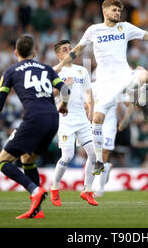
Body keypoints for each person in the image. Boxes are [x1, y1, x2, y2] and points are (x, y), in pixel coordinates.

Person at [55, 0, 148, 175]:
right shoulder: (93, 30)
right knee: (97, 120)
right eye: (114, 10)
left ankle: (142, 102)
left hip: (123, 75)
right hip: (105, 82)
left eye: (119, 11)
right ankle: (98, 160)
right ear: (105, 11)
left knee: (146, 75)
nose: (117, 13)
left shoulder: (125, 27)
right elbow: (77, 50)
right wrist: (60, 66)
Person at [0, 34, 70, 219]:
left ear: (15, 52)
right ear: (34, 51)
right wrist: (63, 105)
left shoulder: (11, 71)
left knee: (2, 161)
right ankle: (37, 211)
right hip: (53, 119)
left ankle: (34, 190)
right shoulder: (46, 68)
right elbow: (65, 89)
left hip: (34, 118)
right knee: (28, 160)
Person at [50, 40, 98, 206]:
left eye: (71, 48)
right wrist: (63, 85)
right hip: (66, 119)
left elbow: (88, 92)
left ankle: (87, 190)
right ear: (58, 55)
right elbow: (50, 94)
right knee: (68, 156)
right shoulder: (55, 71)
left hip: (82, 119)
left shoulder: (82, 70)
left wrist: (91, 111)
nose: (70, 51)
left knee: (94, 155)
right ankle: (54, 187)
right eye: (65, 49)